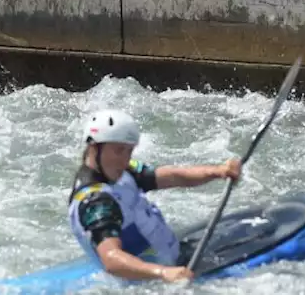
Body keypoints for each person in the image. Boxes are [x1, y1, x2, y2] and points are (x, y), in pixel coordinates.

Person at [69, 110, 241, 283]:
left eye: (129, 151)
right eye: (118, 150)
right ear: (94, 147)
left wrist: (218, 171)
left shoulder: (123, 171)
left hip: (172, 261)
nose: (124, 159)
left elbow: (171, 176)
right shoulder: (96, 202)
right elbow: (111, 259)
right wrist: (163, 273)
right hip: (152, 283)